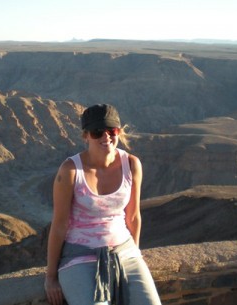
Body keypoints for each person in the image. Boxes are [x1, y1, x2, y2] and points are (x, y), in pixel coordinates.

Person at [44, 104, 161, 305]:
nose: (106, 137)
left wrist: (135, 255)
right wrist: (51, 277)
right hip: (79, 257)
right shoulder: (71, 171)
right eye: (98, 132)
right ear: (86, 136)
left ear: (119, 132)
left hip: (125, 252)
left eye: (112, 131)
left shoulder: (132, 165)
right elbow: (59, 225)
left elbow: (133, 216)